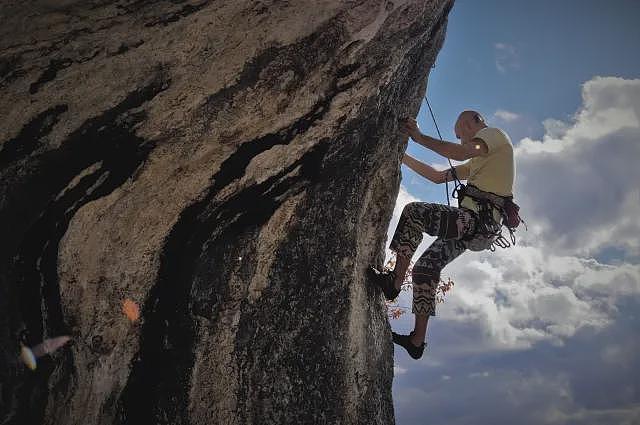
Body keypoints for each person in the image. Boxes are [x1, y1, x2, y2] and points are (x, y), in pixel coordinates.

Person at [369, 110, 515, 359]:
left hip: (474, 223)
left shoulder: (494, 136)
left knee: (414, 212)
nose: (460, 140)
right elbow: (438, 177)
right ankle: (417, 341)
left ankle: (394, 281)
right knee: (425, 268)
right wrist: (401, 157)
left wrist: (418, 136)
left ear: (473, 122)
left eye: (460, 134)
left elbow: (460, 152)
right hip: (476, 231)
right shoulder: (479, 161)